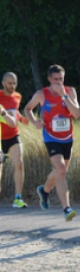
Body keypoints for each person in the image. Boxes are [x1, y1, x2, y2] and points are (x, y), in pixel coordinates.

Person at [24, 65, 80, 221]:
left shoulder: (70, 92)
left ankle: (45, 190)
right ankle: (67, 209)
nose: (58, 82)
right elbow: (28, 108)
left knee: (60, 172)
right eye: (55, 79)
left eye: (61, 79)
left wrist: (64, 96)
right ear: (49, 79)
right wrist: (35, 121)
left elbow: (76, 114)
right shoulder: (41, 94)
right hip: (51, 137)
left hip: (68, 137)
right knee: (61, 170)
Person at [0, 73, 27, 208]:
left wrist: (22, 119)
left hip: (13, 135)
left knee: (19, 164)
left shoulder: (17, 96)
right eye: (9, 83)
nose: (12, 86)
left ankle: (18, 198)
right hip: (0, 138)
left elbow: (15, 112)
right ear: (3, 83)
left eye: (14, 83)